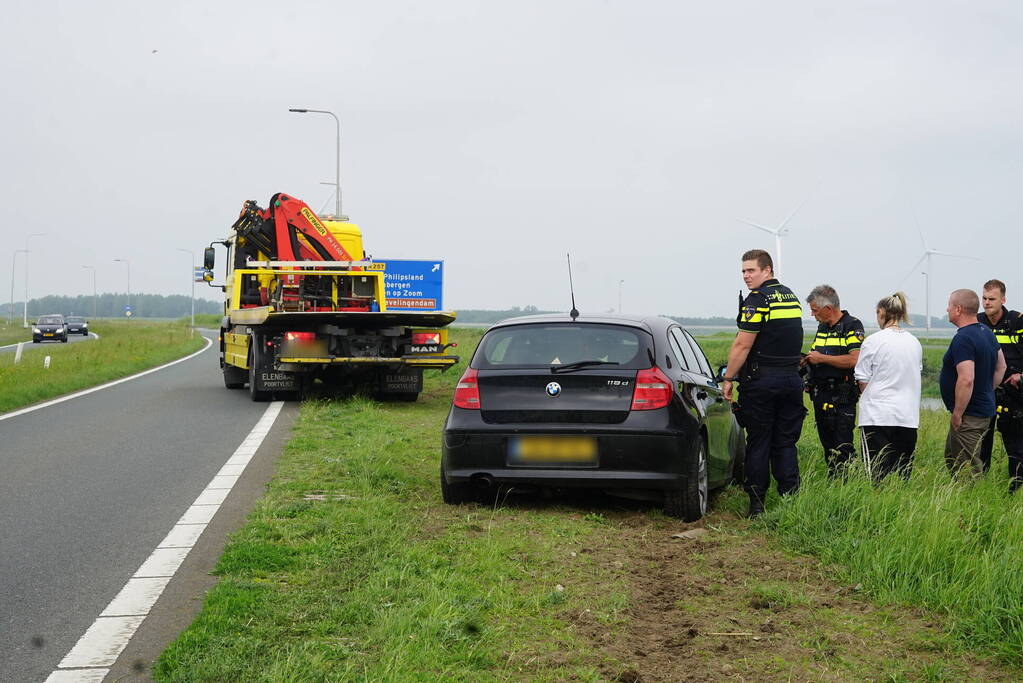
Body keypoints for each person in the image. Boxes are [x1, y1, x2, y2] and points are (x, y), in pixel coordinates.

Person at [722, 249, 805, 517]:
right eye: (743, 271)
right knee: (785, 442)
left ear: (767, 270)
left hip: (762, 381)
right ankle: (791, 501)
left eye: (751, 271)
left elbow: (742, 344)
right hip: (792, 381)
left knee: (759, 442)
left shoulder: (757, 300)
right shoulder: (790, 296)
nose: (746, 276)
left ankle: (757, 504)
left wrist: (728, 378)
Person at [854, 292, 922, 481]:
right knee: (902, 475)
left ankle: (877, 507)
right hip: (907, 417)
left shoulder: (873, 341)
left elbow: (861, 378)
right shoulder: (914, 343)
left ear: (881, 312)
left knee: (875, 475)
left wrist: (871, 396)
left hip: (877, 417)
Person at [940, 289, 1005, 477]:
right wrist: (985, 390)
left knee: (967, 470)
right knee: (953, 458)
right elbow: (1002, 367)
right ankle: (958, 499)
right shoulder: (986, 332)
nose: (947, 309)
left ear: (958, 309)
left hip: (969, 415)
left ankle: (971, 502)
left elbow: (966, 378)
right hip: (981, 409)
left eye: (950, 305)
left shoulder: (963, 338)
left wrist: (958, 413)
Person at [802, 285, 864, 477]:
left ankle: (847, 483)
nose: (812, 314)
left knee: (842, 445)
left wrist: (822, 359)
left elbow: (855, 359)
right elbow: (817, 355)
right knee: (827, 445)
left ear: (828, 308)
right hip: (820, 393)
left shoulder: (852, 325)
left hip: (842, 395)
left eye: (814, 310)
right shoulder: (822, 327)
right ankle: (833, 480)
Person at [977, 279, 1023, 490]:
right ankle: (978, 487)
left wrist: (1020, 376)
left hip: (1013, 393)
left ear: (1003, 299)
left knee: (1015, 446)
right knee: (980, 445)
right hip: (985, 392)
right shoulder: (977, 322)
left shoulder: (1017, 322)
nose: (986, 303)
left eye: (991, 299)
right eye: (984, 298)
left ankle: (1015, 490)